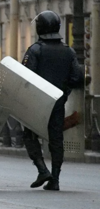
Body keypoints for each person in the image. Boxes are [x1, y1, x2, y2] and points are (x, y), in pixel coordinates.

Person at [21, 11, 87, 191]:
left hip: (37, 102)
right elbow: (77, 77)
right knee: (56, 139)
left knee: (29, 134)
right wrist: (63, 92)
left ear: (40, 27)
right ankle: (55, 178)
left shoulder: (35, 50)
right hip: (58, 102)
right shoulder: (69, 51)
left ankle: (42, 170)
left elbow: (26, 76)